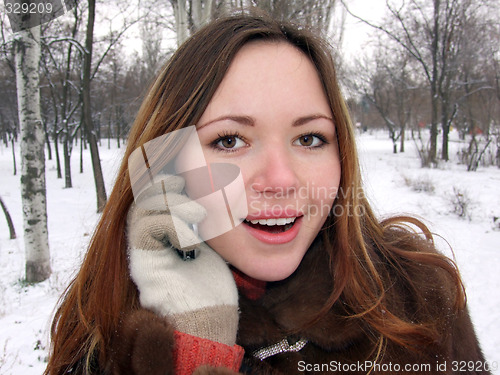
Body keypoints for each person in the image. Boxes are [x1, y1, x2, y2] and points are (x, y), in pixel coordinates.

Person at [44, 12, 489, 375]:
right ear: (164, 161)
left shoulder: (418, 296)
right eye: (230, 140)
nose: (280, 180)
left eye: (310, 138)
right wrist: (196, 345)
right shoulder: (102, 335)